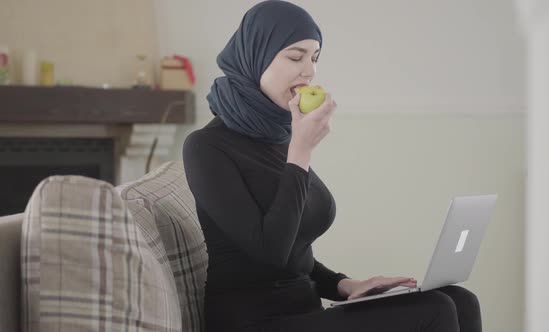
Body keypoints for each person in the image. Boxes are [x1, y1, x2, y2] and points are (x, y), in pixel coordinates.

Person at [182, 1, 482, 331]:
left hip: (304, 310)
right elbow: (270, 252)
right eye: (295, 57)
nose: (309, 71)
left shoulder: (280, 135)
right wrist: (300, 151)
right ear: (256, 57)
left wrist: (345, 284)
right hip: (253, 320)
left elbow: (297, 257)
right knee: (434, 310)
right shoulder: (206, 147)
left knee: (459, 298)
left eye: (315, 58)